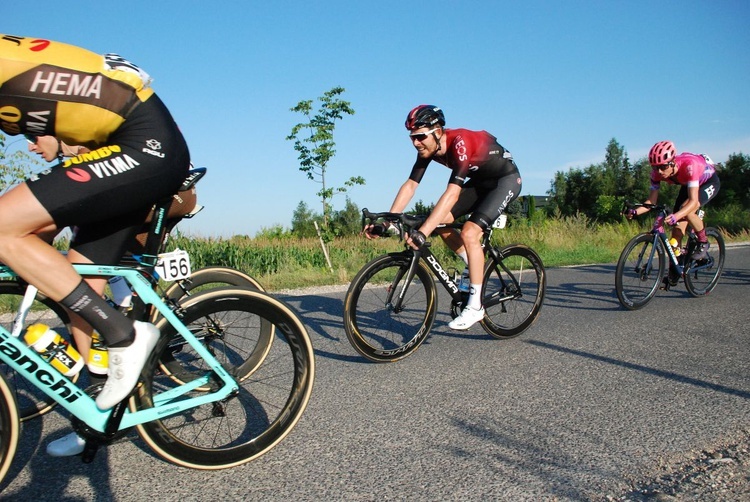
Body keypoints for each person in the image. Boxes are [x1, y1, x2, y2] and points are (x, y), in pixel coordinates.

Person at [0, 35, 190, 455]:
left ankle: (124, 334)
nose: (29, 144)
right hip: (126, 146)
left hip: (146, 146)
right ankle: (95, 419)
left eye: (32, 136)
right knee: (73, 286)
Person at [365, 105, 522, 330]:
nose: (416, 143)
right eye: (412, 138)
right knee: (439, 223)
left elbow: (452, 193)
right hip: (479, 183)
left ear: (438, 131)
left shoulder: (460, 144)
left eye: (420, 137)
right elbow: (410, 186)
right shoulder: (428, 149)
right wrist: (388, 221)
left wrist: (422, 233)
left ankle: (476, 307)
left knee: (469, 232)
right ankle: (473, 262)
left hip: (504, 180)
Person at [628, 140, 720, 266]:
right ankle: (676, 269)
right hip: (688, 183)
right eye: (655, 167)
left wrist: (676, 216)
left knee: (687, 211)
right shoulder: (656, 174)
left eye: (663, 166)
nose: (659, 171)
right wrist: (634, 211)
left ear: (672, 163)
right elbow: (651, 202)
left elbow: (692, 202)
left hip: (708, 182)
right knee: (676, 233)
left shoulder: (689, 165)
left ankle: (703, 242)